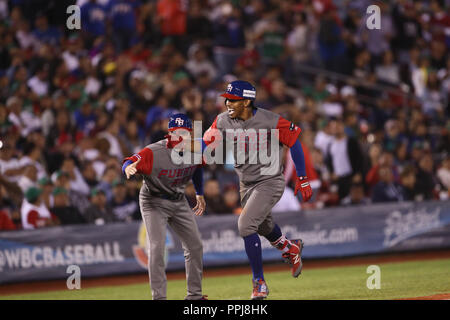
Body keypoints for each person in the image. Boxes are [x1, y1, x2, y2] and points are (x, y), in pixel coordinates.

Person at [203, 80, 313, 300]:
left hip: (270, 181)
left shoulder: (270, 119)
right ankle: (290, 248)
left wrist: (302, 178)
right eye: (226, 98)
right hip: (246, 183)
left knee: (245, 224)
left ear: (246, 101)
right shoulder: (223, 120)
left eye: (232, 99)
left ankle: (259, 283)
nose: (227, 102)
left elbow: (295, 142)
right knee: (264, 225)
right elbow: (206, 143)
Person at [122, 113, 207, 300]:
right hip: (153, 201)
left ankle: (195, 296)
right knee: (157, 247)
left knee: (195, 245)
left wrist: (199, 193)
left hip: (178, 199)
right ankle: (159, 298)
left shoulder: (197, 148)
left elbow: (198, 167)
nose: (181, 136)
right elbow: (130, 161)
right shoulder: (154, 152)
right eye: (176, 132)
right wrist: (128, 167)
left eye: (185, 132)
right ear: (169, 134)